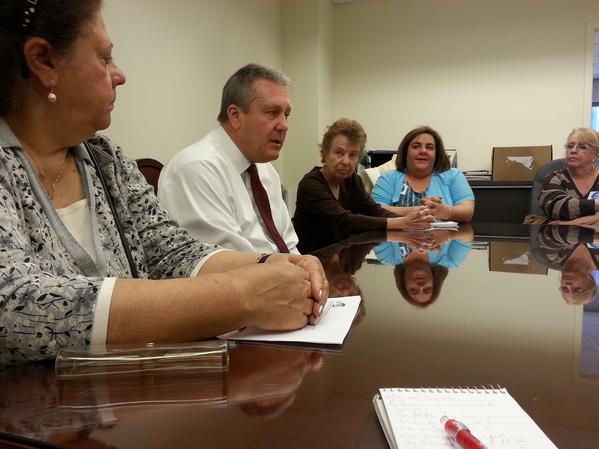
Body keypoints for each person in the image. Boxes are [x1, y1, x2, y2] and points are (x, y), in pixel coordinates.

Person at [0, 0, 327, 362]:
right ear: (44, 61)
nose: (119, 74)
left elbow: (170, 252)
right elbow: (15, 306)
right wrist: (244, 297)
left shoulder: (105, 158)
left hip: (126, 399)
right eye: (105, 58)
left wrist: (274, 265)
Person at [158, 64, 299, 254]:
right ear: (235, 116)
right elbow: (230, 267)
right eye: (272, 113)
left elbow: (289, 245)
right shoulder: (195, 168)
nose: (283, 125)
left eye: (286, 115)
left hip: (281, 278)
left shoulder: (266, 171)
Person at [292, 118, 434, 253]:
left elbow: (375, 211)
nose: (346, 161)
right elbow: (344, 221)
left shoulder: (353, 180)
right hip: (310, 260)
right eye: (339, 153)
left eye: (353, 155)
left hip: (341, 255)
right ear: (325, 154)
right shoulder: (311, 184)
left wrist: (413, 224)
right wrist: (402, 222)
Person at [371, 126, 475, 222]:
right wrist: (418, 211)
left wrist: (445, 211)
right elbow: (373, 210)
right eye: (416, 146)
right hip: (396, 240)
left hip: (443, 240)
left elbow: (467, 211)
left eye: (429, 147)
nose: (423, 151)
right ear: (405, 152)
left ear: (436, 154)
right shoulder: (388, 178)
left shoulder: (453, 176)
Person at [376, 226, 474, 307]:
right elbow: (468, 232)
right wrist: (448, 235)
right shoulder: (451, 260)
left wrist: (405, 237)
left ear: (403, 283)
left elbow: (376, 229)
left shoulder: (388, 257)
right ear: (434, 283)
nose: (421, 286)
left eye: (413, 290)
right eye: (427, 289)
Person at [538, 128, 599, 223]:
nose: (573, 151)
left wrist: (571, 223)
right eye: (570, 146)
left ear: (595, 155)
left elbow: (561, 221)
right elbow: (559, 208)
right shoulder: (554, 178)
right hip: (562, 236)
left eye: (582, 147)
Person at [531, 224, 599, 305]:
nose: (568, 285)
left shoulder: (553, 258)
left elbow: (553, 233)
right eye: (577, 289)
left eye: (565, 288)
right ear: (590, 281)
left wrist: (593, 239)